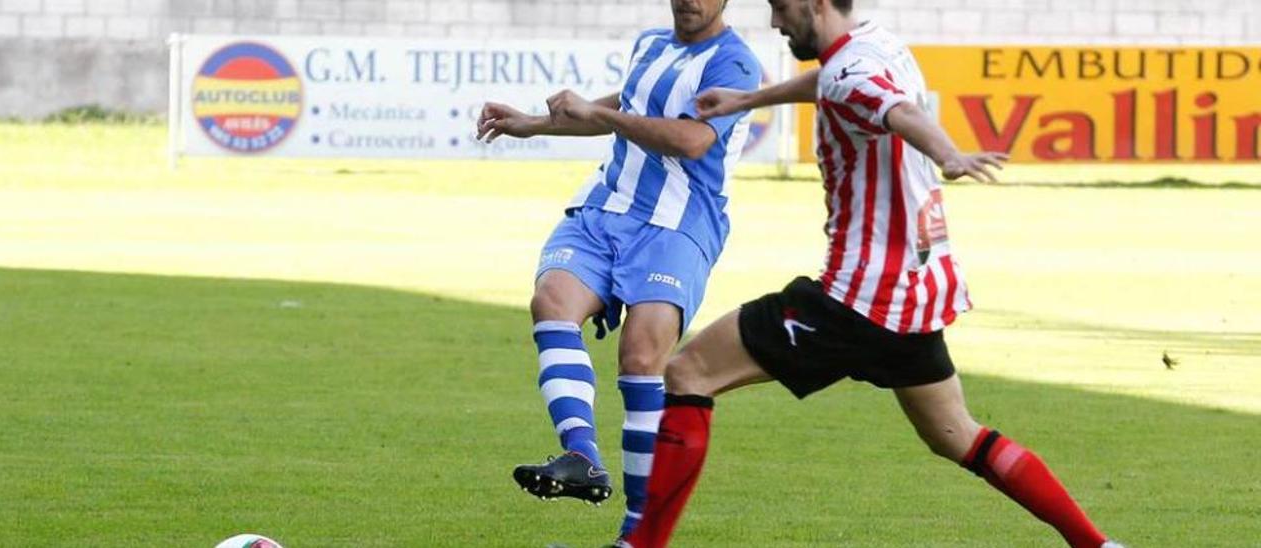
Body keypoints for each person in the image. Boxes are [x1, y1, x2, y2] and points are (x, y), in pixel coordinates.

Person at [615, 1, 1125, 547]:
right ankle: (1098, 545)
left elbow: (899, 112)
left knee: (688, 373)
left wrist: (948, 154)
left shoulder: (850, 74)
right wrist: (750, 98)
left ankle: (640, 546)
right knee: (956, 435)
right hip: (915, 292)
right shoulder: (876, 44)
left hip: (853, 298)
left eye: (782, 8)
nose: (775, 22)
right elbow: (833, 84)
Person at [475, 0, 762, 539]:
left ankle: (636, 534)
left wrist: (599, 114)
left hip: (678, 227)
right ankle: (581, 455)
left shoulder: (736, 63)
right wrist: (532, 124)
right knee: (552, 300)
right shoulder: (651, 43)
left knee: (641, 356)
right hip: (606, 208)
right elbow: (625, 107)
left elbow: (694, 140)